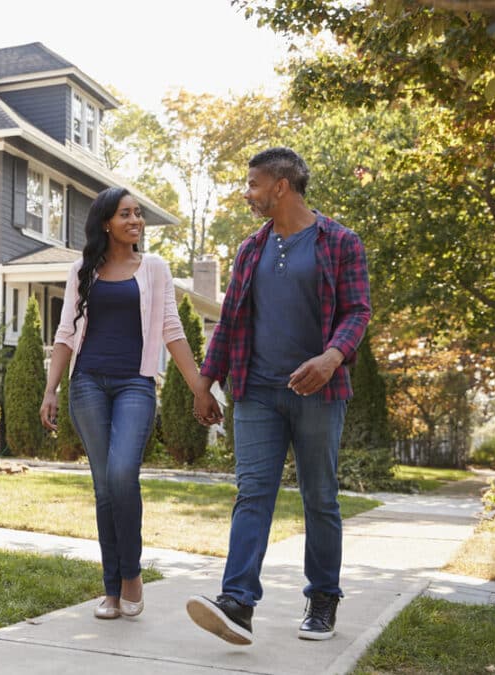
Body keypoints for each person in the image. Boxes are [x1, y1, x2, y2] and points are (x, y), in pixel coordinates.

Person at [185, 147, 371, 645]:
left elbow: (357, 311)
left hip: (319, 391)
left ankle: (323, 597)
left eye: (253, 185)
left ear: (280, 186)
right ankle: (238, 602)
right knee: (252, 495)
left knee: (320, 498)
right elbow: (230, 321)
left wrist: (332, 357)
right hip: (257, 391)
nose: (248, 194)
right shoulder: (251, 249)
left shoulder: (340, 242)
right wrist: (206, 380)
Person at [40, 186, 220, 620]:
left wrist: (200, 386)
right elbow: (66, 333)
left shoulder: (154, 268)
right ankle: (111, 590)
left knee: (123, 474)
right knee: (104, 487)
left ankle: (131, 575)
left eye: (138, 214)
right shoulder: (83, 270)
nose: (136, 220)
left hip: (135, 384)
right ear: (106, 222)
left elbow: (171, 329)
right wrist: (51, 389)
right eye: (126, 214)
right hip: (87, 385)